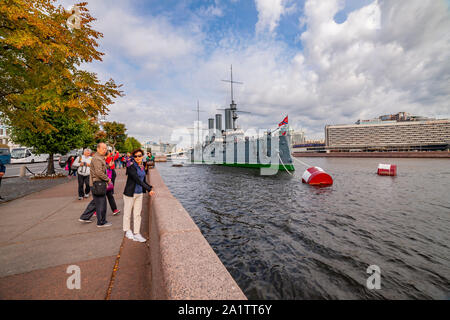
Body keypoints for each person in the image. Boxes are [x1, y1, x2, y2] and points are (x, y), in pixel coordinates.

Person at [123, 149, 154, 242]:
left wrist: (150, 187)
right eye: (135, 156)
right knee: (127, 213)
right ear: (133, 157)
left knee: (137, 214)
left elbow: (143, 180)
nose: (138, 158)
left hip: (139, 193)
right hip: (130, 193)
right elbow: (137, 180)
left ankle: (137, 233)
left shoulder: (142, 166)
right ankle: (127, 230)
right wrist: (148, 190)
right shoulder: (131, 166)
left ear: (142, 156)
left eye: (139, 156)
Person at [78, 143, 112, 227]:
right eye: (103, 148)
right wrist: (108, 179)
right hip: (98, 183)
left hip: (96, 183)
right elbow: (99, 172)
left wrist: (107, 167)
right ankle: (101, 222)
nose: (105, 150)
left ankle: (85, 217)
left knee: (96, 202)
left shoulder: (99, 158)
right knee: (101, 203)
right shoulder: (97, 158)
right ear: (98, 149)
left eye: (106, 148)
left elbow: (100, 169)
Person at [105, 151, 120, 215]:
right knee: (100, 197)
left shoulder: (108, 158)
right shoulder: (105, 159)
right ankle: (94, 211)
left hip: (109, 173)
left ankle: (114, 210)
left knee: (109, 195)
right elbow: (116, 156)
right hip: (106, 175)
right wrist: (117, 153)